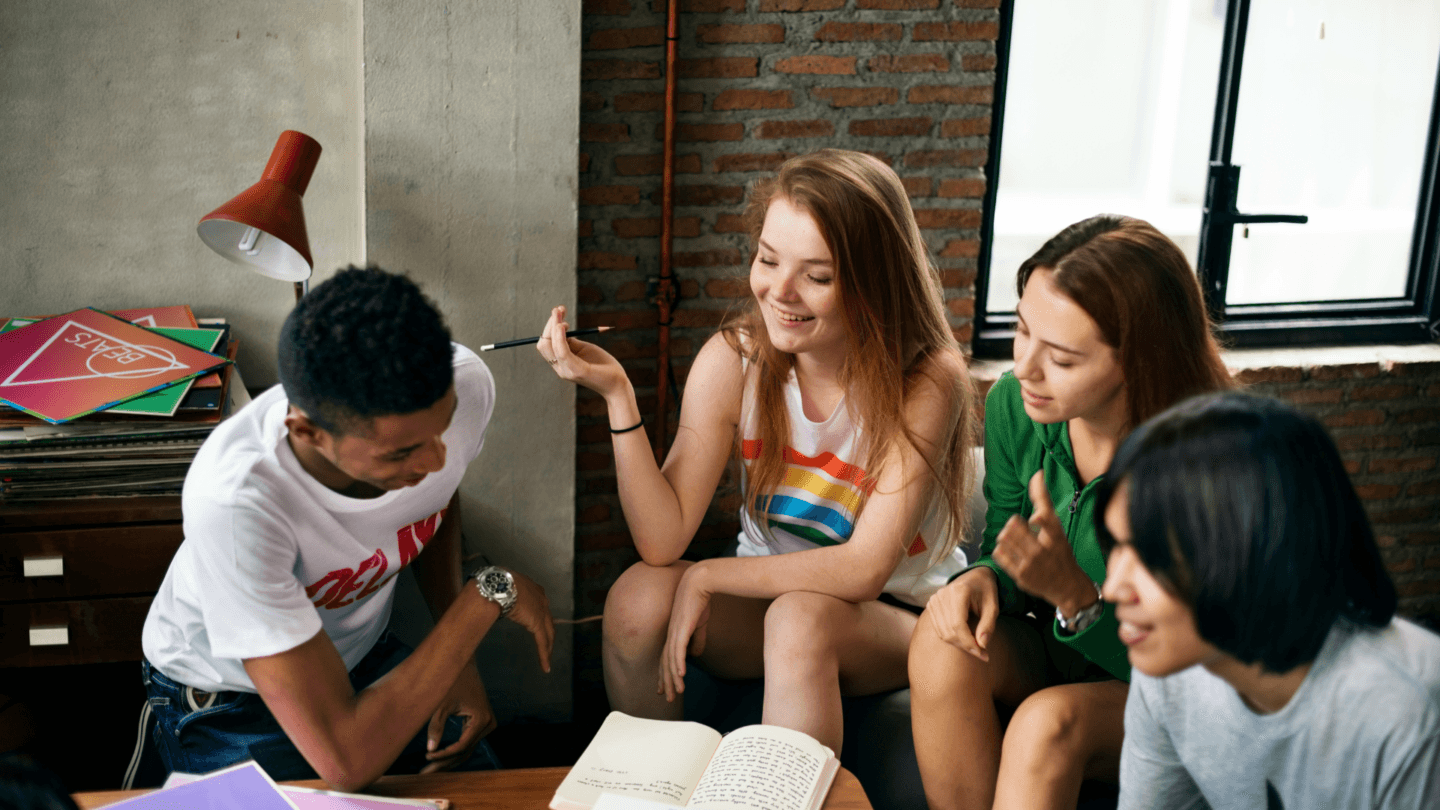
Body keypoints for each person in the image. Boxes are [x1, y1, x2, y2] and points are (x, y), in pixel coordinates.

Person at [539, 149, 979, 751]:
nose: (780, 292)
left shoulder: (928, 378)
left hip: (896, 616)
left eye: (817, 276)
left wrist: (712, 577)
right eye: (768, 260)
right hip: (766, 603)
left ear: (875, 282)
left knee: (798, 618)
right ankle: (658, 790)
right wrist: (618, 397)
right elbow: (661, 541)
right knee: (638, 599)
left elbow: (863, 569)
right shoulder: (735, 358)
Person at [139, 266, 554, 791]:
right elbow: (348, 762)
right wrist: (484, 599)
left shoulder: (462, 384)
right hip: (232, 700)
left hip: (364, 656)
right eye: (402, 452)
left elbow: (435, 504)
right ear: (307, 431)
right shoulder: (237, 502)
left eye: (441, 429)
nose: (435, 461)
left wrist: (453, 662)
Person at [908, 215, 1235, 810]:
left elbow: (1194, 670)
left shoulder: (1208, 470)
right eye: (1021, 330)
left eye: (1060, 357)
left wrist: (1077, 599)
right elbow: (1006, 543)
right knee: (941, 637)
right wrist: (983, 578)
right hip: (1060, 653)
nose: (1026, 368)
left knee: (1045, 722)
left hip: (1177, 692)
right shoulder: (1016, 405)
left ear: (1138, 360)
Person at [1099, 392, 1440, 808]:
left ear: (1248, 550)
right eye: (1116, 547)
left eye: (1152, 558)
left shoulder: (1409, 714)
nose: (1113, 587)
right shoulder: (1170, 668)